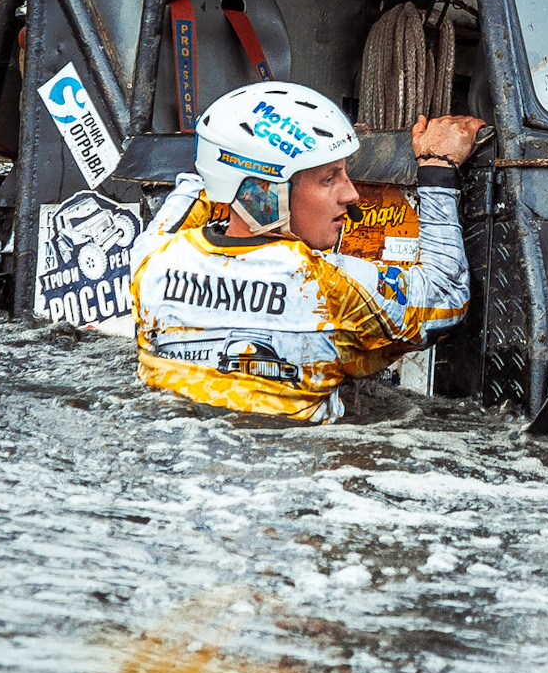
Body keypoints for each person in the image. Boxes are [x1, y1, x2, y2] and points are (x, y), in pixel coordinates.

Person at [130, 82, 483, 422]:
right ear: (265, 194)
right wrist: (437, 168)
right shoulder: (325, 288)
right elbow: (445, 295)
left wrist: (235, 163)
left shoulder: (151, 261)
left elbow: (196, 186)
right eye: (329, 179)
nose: (351, 195)